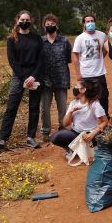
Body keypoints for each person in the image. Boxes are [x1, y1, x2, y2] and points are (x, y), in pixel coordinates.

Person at [0, 11, 44, 153]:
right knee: (11, 107)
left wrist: (33, 76)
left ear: (30, 21)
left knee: (34, 108)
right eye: (22, 19)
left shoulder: (37, 38)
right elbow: (12, 61)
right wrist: (25, 77)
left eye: (27, 19)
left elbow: (41, 59)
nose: (24, 21)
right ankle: (2, 139)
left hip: (35, 76)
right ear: (17, 20)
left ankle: (31, 137)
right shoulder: (12, 39)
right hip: (18, 76)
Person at [51, 80, 108, 157]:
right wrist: (71, 112)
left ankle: (92, 147)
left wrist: (93, 133)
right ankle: (71, 149)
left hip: (91, 134)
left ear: (83, 90)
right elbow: (65, 124)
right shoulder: (74, 103)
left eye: (77, 86)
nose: (74, 88)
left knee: (105, 135)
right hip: (76, 133)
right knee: (55, 137)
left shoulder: (95, 104)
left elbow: (105, 121)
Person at [39, 13, 72, 142]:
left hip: (61, 78)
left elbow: (68, 58)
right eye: (47, 24)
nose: (50, 26)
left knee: (62, 107)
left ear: (57, 26)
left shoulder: (64, 41)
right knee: (45, 108)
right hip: (45, 80)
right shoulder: (40, 42)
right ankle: (45, 133)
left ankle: (63, 130)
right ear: (44, 26)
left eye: (52, 24)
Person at [72, 13, 109, 116]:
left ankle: (105, 117)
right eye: (88, 21)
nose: (90, 23)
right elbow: (75, 56)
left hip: (99, 73)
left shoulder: (102, 35)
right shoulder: (80, 38)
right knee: (87, 97)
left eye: (92, 21)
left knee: (104, 96)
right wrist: (78, 74)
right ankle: (90, 118)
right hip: (86, 74)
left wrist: (101, 57)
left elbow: (105, 48)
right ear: (84, 24)